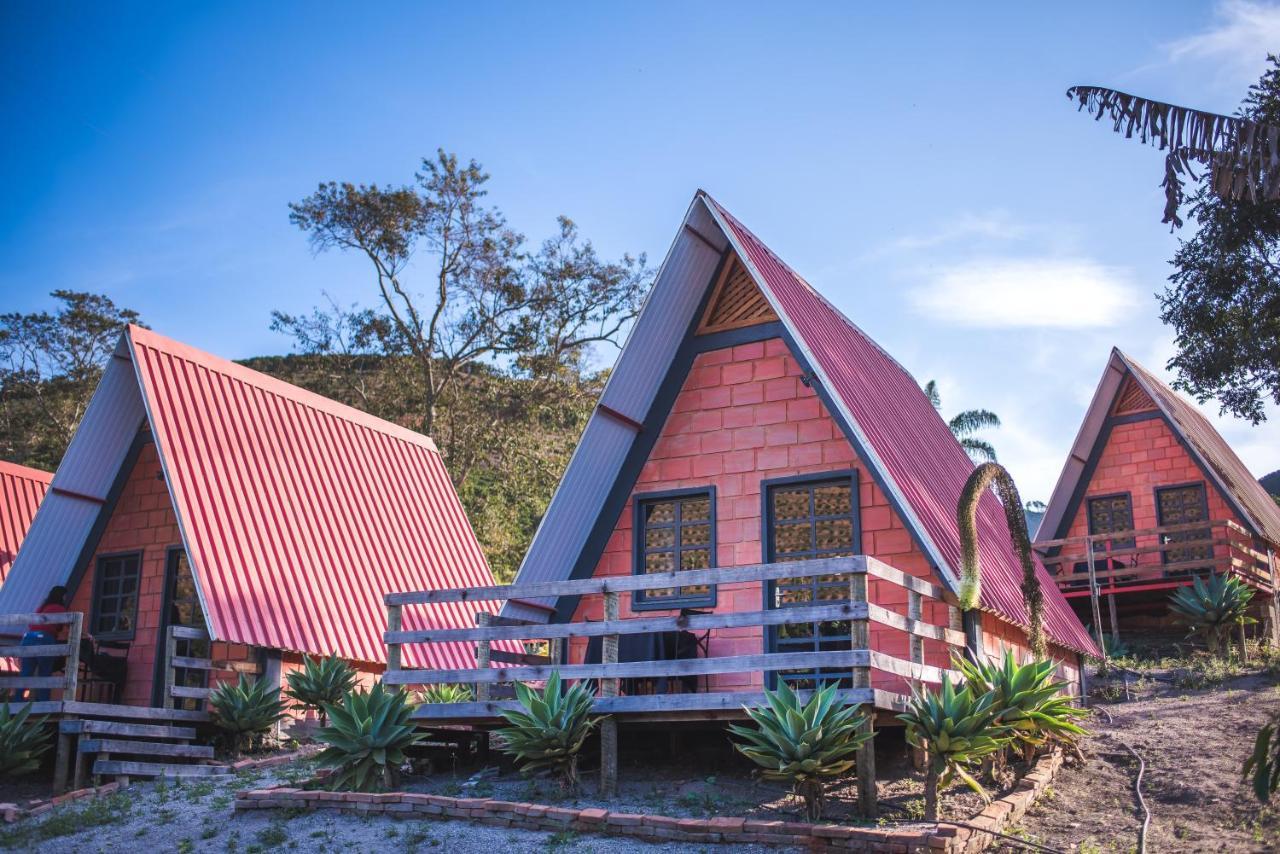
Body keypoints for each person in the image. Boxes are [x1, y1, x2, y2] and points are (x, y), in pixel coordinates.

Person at [20, 586, 68, 702]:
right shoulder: (60, 608)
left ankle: (17, 703)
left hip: (29, 638)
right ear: (61, 596)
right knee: (44, 673)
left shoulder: (42, 607)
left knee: (26, 673)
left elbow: (32, 623)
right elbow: (66, 625)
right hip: (44, 638)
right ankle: (43, 704)